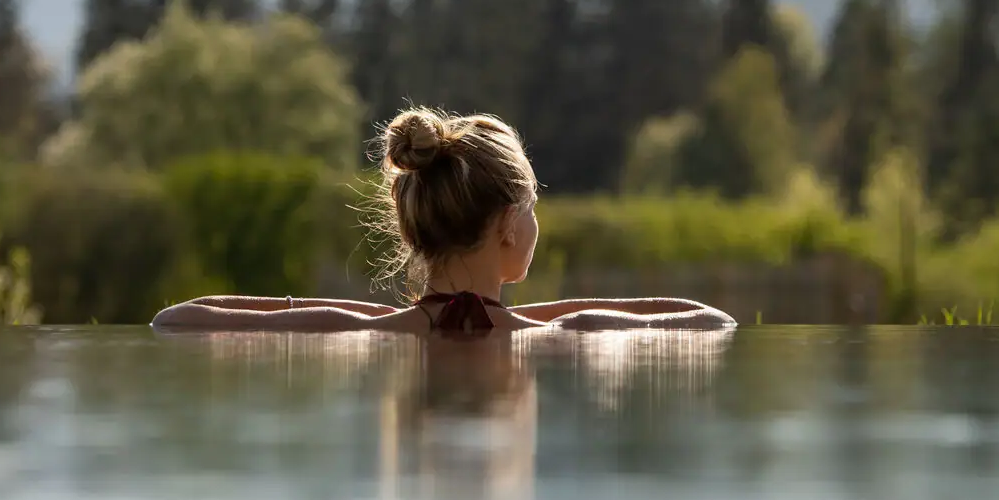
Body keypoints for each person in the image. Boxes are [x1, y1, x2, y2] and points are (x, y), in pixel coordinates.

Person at [151, 106, 736, 334]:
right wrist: (549, 317)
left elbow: (175, 318)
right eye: (532, 209)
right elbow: (711, 320)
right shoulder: (567, 333)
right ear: (508, 222)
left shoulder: (370, 330)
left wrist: (354, 315)